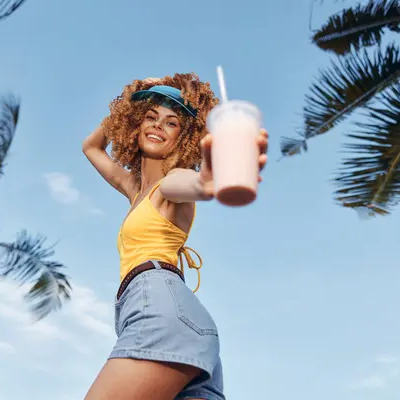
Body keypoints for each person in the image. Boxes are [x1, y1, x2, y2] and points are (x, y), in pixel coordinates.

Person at [82, 72, 268, 400]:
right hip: (169, 316)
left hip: (160, 307)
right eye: (150, 117)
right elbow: (91, 147)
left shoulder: (171, 183)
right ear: (134, 124)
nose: (157, 126)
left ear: (184, 139)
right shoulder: (134, 189)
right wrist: (132, 94)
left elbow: (194, 184)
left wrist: (208, 183)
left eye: (171, 123)